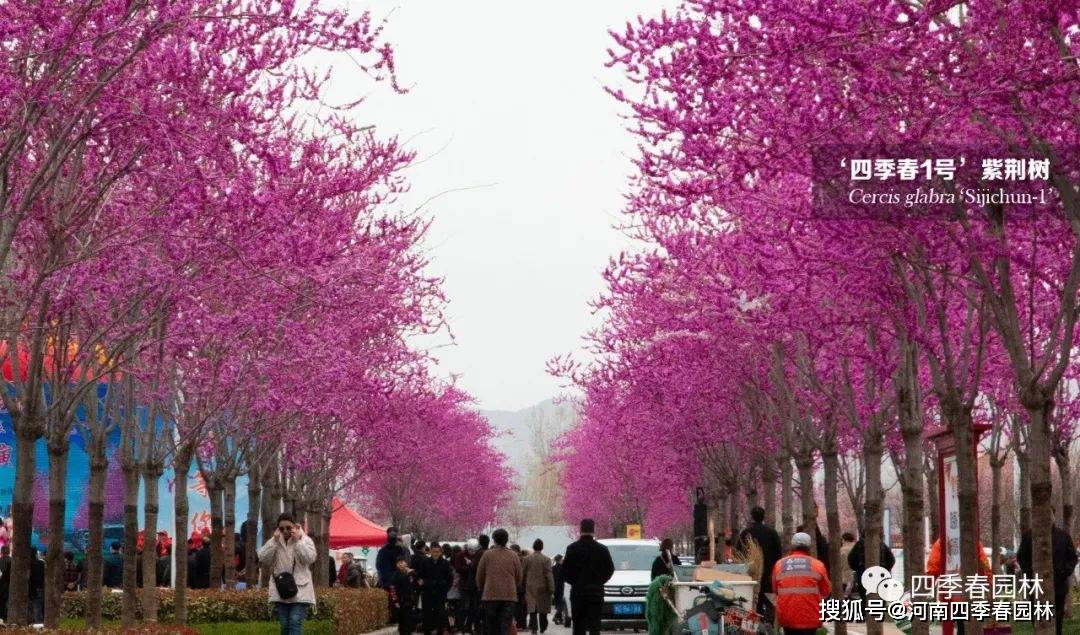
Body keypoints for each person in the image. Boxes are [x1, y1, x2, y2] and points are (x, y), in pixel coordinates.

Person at [1017, 507, 1078, 635]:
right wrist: (1030, 572)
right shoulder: (1029, 536)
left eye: (1048, 514)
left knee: (1057, 622)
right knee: (1039, 621)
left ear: (1053, 516)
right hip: (1037, 586)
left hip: (1058, 586)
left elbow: (1072, 558)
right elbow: (1021, 557)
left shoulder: (1063, 536)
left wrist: (1063, 572)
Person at [257, 512, 317, 635]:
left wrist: (298, 542)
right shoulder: (275, 541)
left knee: (294, 622)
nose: (285, 531)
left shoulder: (305, 540)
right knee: (284, 625)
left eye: (288, 528)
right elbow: (263, 557)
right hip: (281, 590)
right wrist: (274, 541)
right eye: (281, 528)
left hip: (300, 589)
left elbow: (310, 559)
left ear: (295, 526)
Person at [561, 518, 615, 635]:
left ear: (580, 530)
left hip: (578, 593)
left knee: (578, 627)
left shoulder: (572, 549)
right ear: (593, 530)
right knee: (595, 626)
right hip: (596, 593)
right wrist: (600, 581)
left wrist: (574, 582)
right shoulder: (602, 549)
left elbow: (564, 572)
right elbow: (610, 569)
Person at [772, 532, 831, 635]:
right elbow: (826, 591)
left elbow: (775, 590)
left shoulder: (779, 565)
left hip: (787, 617)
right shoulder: (818, 565)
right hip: (810, 617)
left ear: (792, 546)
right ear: (809, 547)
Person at [737, 506, 783, 623]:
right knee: (770, 603)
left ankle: (755, 625)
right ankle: (768, 626)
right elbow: (779, 554)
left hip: (751, 576)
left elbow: (738, 554)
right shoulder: (772, 533)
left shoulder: (745, 533)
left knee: (753, 602)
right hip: (769, 576)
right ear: (764, 516)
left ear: (752, 517)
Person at [476, 528, 523, 635]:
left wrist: (482, 588)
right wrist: (512, 585)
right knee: (505, 625)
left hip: (490, 595)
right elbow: (519, 576)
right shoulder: (513, 555)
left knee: (491, 626)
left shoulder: (487, 555)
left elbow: (480, 576)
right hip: (509, 596)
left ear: (494, 540)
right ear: (506, 540)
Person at [847, 534, 895, 601]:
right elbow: (891, 560)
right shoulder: (882, 545)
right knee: (880, 597)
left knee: (864, 598)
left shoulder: (859, 545)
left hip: (863, 575)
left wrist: (857, 569)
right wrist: (886, 569)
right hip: (881, 575)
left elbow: (851, 559)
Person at [421, 543, 454, 635]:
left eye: (437, 552)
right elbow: (420, 577)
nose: (435, 554)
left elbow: (450, 579)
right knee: (427, 614)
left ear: (440, 553)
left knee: (440, 614)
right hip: (427, 592)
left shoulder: (445, 563)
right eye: (433, 552)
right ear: (430, 552)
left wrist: (445, 589)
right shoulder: (425, 562)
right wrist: (422, 583)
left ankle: (440, 631)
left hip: (440, 593)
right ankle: (427, 631)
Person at [523, 539, 554, 634]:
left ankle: (534, 628)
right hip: (543, 587)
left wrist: (524, 584)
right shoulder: (546, 559)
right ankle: (543, 626)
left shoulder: (527, 559)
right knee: (542, 609)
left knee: (532, 609)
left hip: (530, 586)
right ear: (542, 547)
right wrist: (551, 588)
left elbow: (522, 573)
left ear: (533, 547)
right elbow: (549, 575)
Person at [468, 534, 491, 634]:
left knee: (476, 606)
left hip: (478, 585)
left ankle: (478, 628)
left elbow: (475, 567)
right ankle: (486, 627)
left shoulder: (479, 553)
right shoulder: (490, 552)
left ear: (480, 543)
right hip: (489, 584)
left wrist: (470, 563)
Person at [392, 557, 419, 635]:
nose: (401, 564)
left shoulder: (411, 573)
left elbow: (418, 583)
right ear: (396, 565)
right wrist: (395, 601)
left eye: (402, 562)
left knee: (410, 621)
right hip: (401, 601)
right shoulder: (395, 575)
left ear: (406, 563)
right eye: (398, 563)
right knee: (402, 621)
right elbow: (393, 589)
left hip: (411, 601)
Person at [509, 544, 527, 629]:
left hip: (518, 586)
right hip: (520, 586)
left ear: (516, 551)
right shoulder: (522, 559)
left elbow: (520, 573)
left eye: (511, 550)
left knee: (518, 607)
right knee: (520, 606)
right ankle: (521, 624)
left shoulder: (518, 559)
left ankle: (520, 624)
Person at [28, 547, 45, 623]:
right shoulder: (41, 563)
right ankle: (38, 623)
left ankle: (34, 623)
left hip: (31, 588)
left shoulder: (28, 564)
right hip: (40, 587)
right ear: (35, 554)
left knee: (33, 607)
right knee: (38, 607)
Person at [838, 533, 856, 598]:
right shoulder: (855, 547)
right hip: (855, 572)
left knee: (845, 591)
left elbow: (839, 563)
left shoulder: (842, 550)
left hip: (844, 572)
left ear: (844, 539)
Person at [551, 554, 567, 626]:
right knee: (561, 603)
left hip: (555, 588)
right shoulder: (563, 568)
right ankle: (556, 616)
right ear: (560, 560)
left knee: (558, 603)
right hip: (561, 588)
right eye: (562, 559)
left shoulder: (553, 568)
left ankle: (559, 619)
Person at [0, 545, 11, 623]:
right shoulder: (12, 560)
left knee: (2, 602)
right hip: (10, 583)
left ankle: (2, 617)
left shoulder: (0, 560)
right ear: (9, 551)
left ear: (1, 552)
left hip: (2, 583)